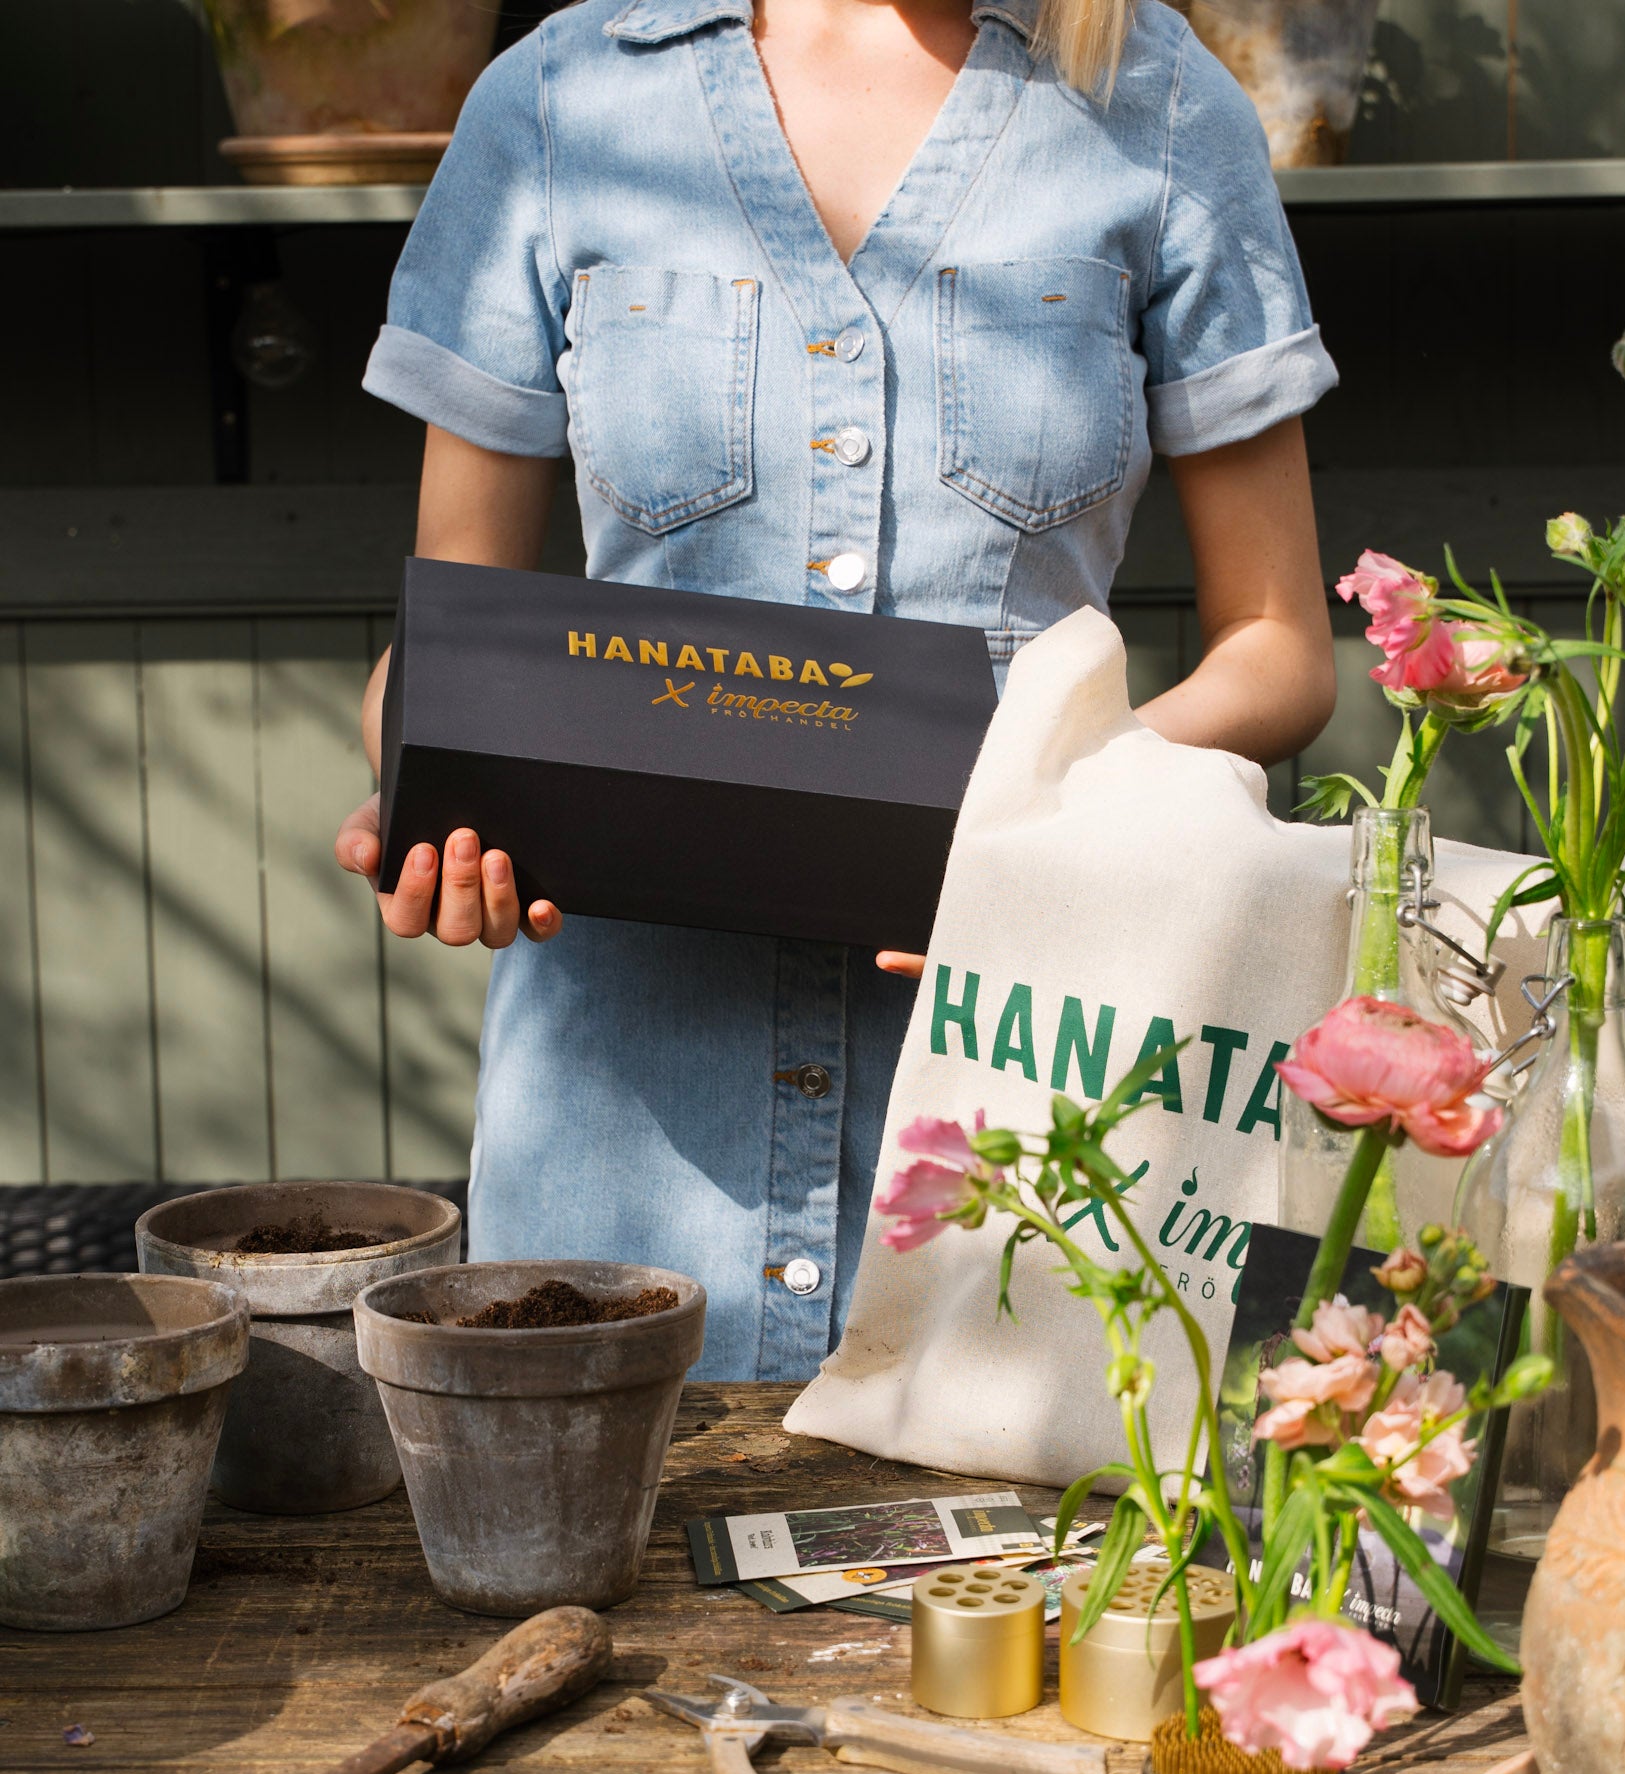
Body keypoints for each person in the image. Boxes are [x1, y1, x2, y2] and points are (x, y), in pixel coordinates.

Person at [336, 0, 1338, 1379]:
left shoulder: (1158, 102)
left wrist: (1033, 824)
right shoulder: (562, 99)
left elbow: (1281, 647)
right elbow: (451, 634)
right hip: (623, 1122)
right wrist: (425, 792)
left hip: (1015, 1101)